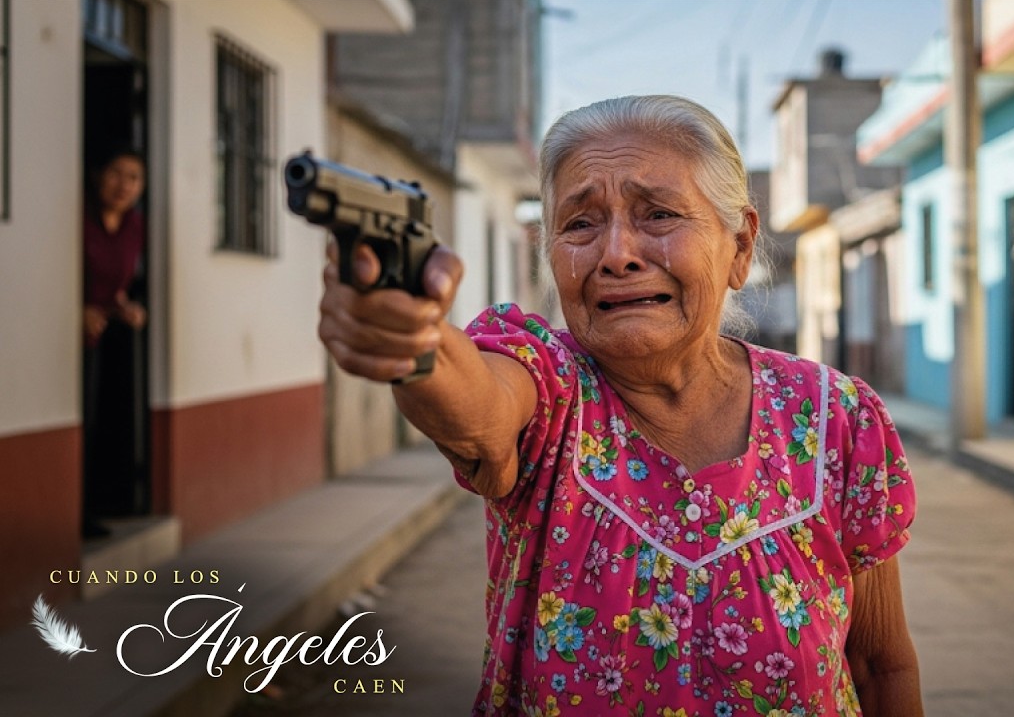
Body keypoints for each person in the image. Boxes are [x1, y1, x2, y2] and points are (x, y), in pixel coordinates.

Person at [319, 95, 921, 716]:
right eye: (580, 224)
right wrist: (415, 343)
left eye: (658, 214)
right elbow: (480, 406)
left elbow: (881, 664)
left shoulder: (835, 418)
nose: (616, 254)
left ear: (739, 246)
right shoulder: (552, 391)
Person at [82, 147, 148, 537]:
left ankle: (97, 506)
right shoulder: (80, 218)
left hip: (105, 333)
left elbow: (119, 281)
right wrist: (78, 307)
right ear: (97, 176)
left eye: (134, 177)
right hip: (64, 335)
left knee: (100, 418)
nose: (123, 185)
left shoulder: (135, 226)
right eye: (116, 173)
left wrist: (126, 306)